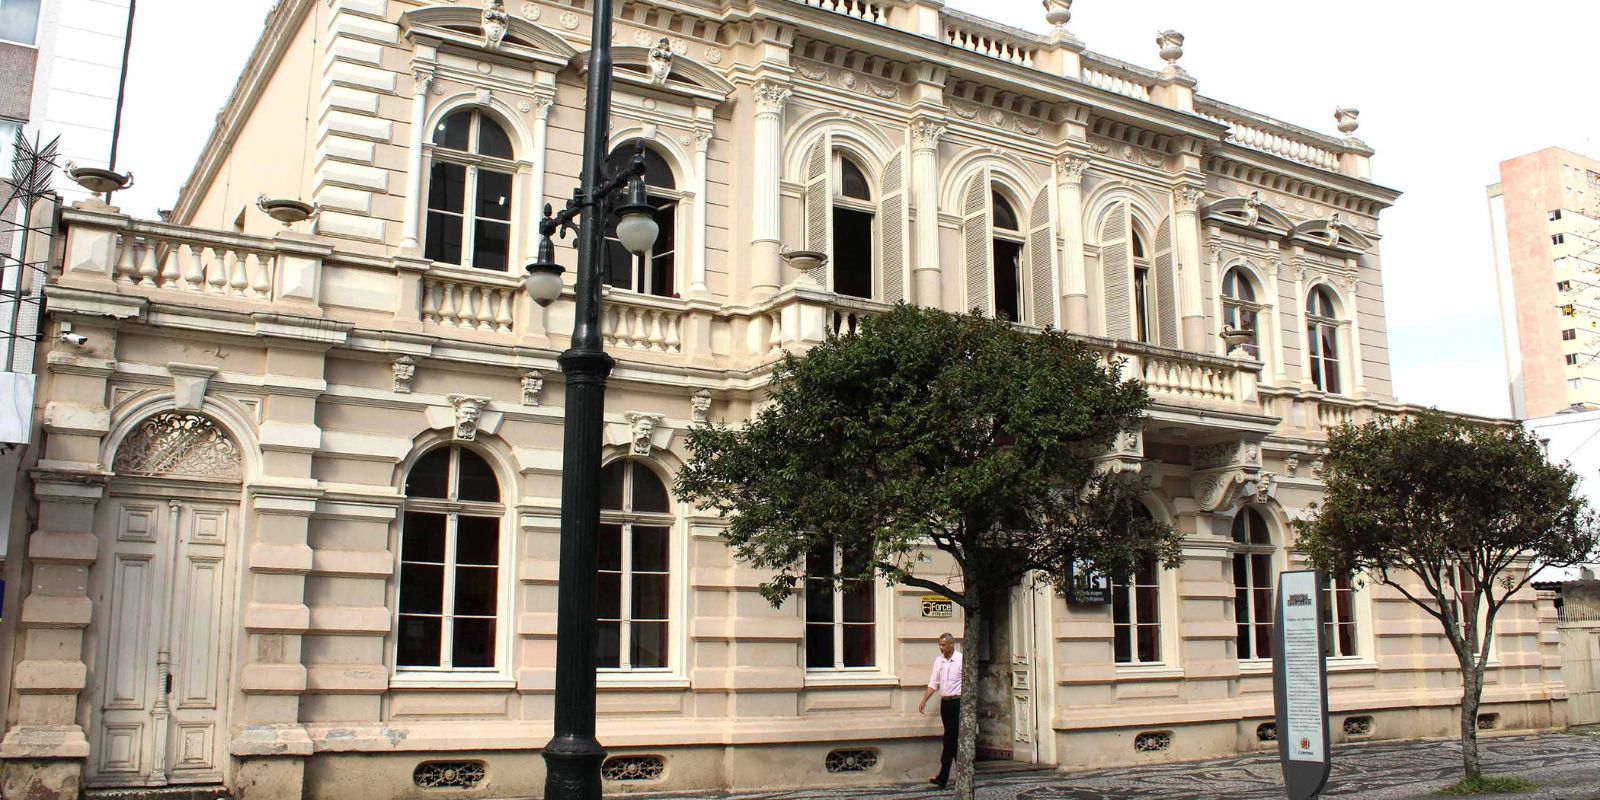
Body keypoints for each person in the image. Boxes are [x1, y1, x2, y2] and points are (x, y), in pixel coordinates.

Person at [918, 632, 962, 789]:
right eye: (939, 645)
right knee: (952, 739)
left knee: (950, 738)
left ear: (951, 645)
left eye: (943, 645)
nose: (941, 648)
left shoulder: (961, 660)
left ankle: (943, 776)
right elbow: (933, 683)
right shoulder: (939, 661)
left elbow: (968, 683)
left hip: (958, 702)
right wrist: (924, 700)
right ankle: (965, 771)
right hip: (945, 703)